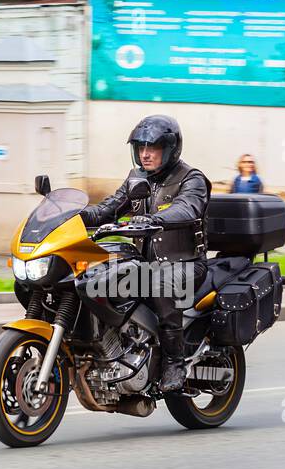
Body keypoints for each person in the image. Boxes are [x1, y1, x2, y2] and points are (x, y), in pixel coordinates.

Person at [79, 115, 210, 393]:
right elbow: (108, 209)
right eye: (140, 147)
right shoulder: (136, 178)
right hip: (143, 262)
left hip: (185, 263)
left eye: (153, 147)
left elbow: (188, 208)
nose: (145, 153)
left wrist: (157, 219)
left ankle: (174, 362)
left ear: (171, 148)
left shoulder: (192, 179)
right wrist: (74, 217)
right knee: (93, 276)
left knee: (159, 284)